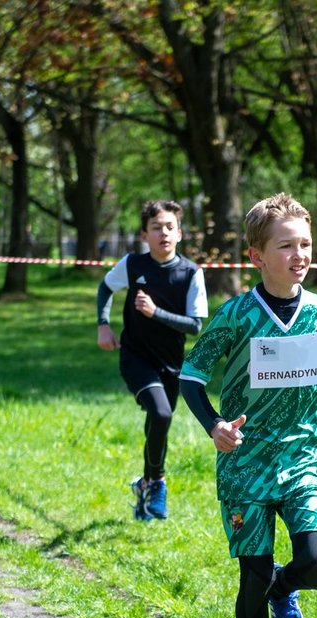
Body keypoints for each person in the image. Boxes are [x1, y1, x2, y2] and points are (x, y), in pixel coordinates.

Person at [179, 193, 317, 618]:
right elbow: (192, 375)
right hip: (244, 463)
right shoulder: (237, 315)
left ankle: (286, 589)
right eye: (286, 245)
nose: (299, 254)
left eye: (305, 243)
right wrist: (213, 424)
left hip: (302, 456)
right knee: (251, 575)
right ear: (258, 256)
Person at [97, 200, 208, 520]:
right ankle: (157, 483)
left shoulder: (191, 274)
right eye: (156, 228)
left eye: (170, 227)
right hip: (135, 357)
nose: (164, 233)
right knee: (160, 413)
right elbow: (105, 289)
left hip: (171, 364)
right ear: (145, 234)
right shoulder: (132, 264)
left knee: (158, 420)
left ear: (180, 234)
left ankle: (144, 484)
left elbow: (195, 325)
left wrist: (155, 312)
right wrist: (103, 325)